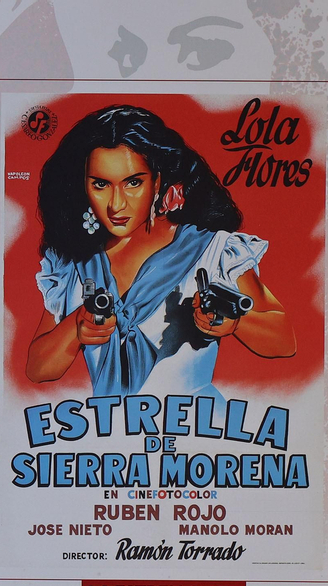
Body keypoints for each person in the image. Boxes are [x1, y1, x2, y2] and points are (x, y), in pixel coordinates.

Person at [25, 105, 295, 397]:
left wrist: (238, 323)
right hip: (109, 434)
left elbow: (284, 341)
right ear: (83, 186)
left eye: (133, 183)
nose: (116, 204)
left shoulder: (212, 250)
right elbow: (37, 370)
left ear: (158, 181)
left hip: (197, 432)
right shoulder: (74, 263)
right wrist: (75, 328)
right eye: (101, 184)